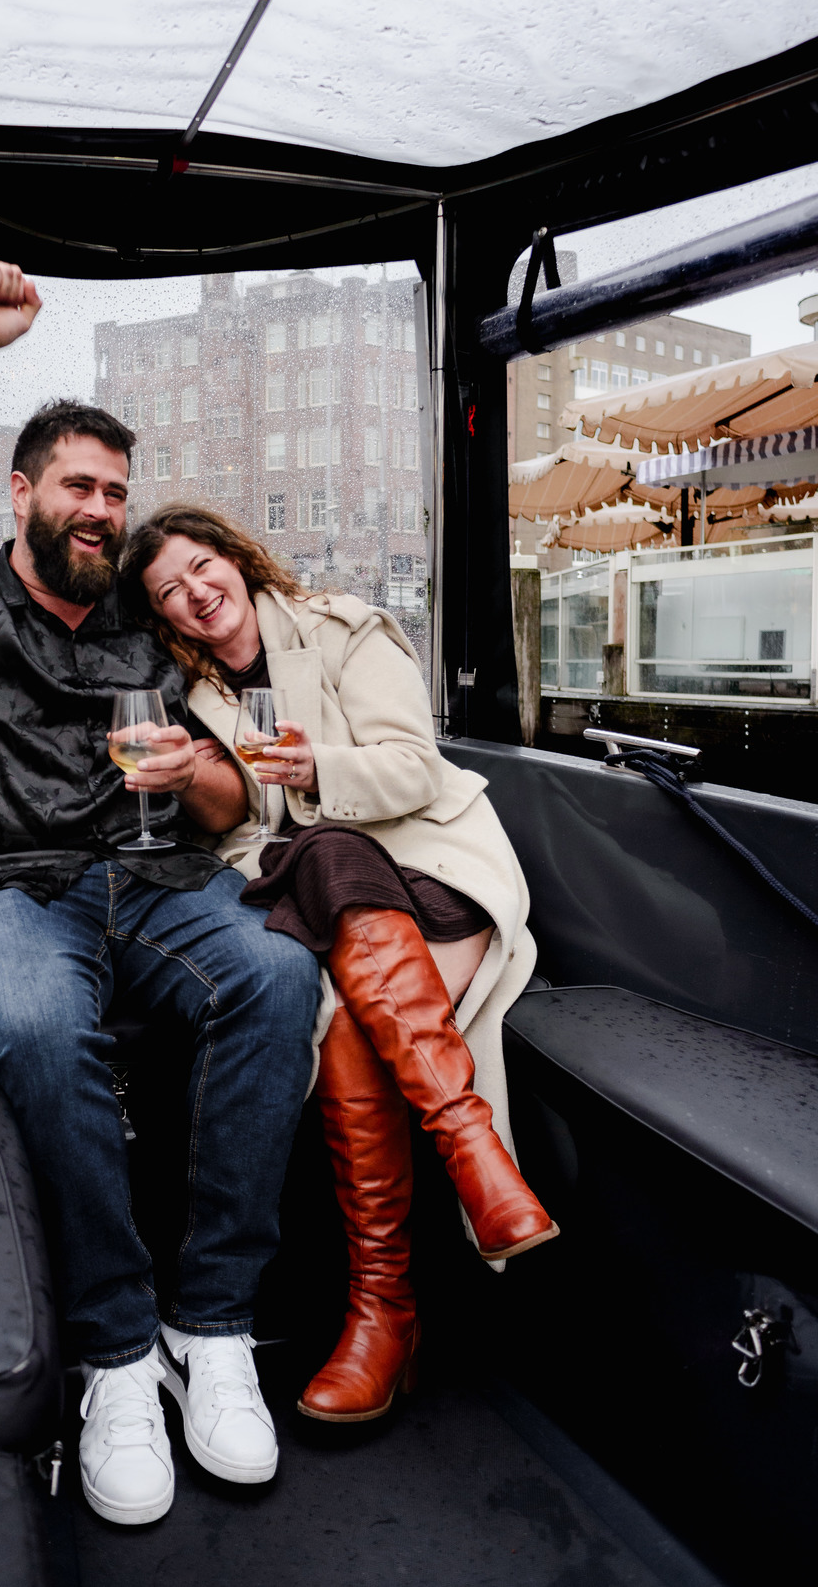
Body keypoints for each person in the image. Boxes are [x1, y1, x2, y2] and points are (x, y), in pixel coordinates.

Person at [0, 263, 320, 1526]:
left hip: (151, 880)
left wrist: (204, 766)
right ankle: (116, 1351)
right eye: (78, 485)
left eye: (117, 490)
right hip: (2, 889)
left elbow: (231, 793)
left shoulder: (142, 616)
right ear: (24, 491)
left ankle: (211, 1322)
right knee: (45, 1024)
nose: (103, 510)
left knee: (278, 971)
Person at [122, 504, 557, 1427]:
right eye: (171, 593)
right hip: (341, 900)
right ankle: (473, 1165)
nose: (198, 595)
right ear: (164, 619)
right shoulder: (196, 700)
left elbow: (416, 770)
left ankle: (383, 1313)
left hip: (431, 867)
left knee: (326, 867)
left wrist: (316, 767)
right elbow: (244, 832)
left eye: (204, 568)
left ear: (237, 561)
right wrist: (197, 783)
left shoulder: (343, 628)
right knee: (328, 906)